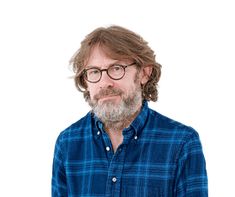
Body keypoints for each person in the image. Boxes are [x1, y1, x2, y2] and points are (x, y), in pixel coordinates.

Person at [51, 25, 208, 197]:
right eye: (95, 72)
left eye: (116, 68)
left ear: (144, 73)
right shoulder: (67, 142)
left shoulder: (181, 142)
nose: (105, 82)